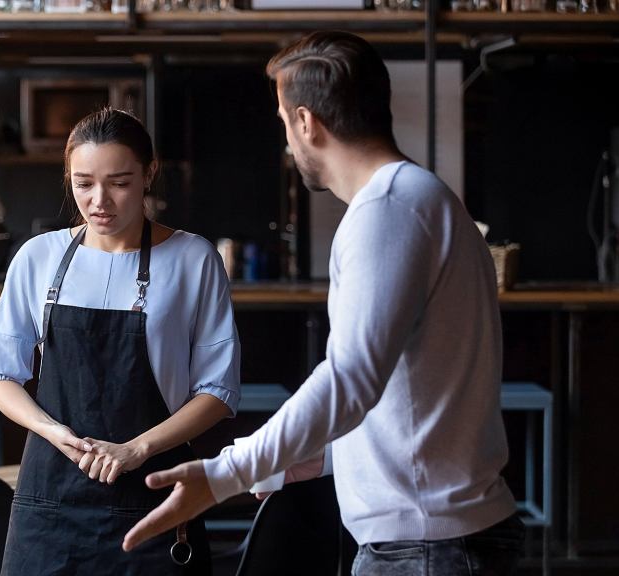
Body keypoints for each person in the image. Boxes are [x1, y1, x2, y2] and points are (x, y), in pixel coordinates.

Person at [123, 31, 525, 576]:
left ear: (307, 122)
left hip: (428, 549)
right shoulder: (420, 197)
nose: (288, 142)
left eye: (286, 123)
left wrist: (227, 474)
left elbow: (350, 379)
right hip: (440, 538)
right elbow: (405, 403)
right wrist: (296, 463)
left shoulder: (387, 209)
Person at [0, 107, 240, 575]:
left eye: (119, 182)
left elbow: (218, 393)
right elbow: (1, 375)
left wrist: (136, 449)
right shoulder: (37, 258)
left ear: (149, 175)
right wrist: (52, 432)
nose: (99, 200)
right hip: (49, 504)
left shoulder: (192, 258)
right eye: (84, 183)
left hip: (154, 497)